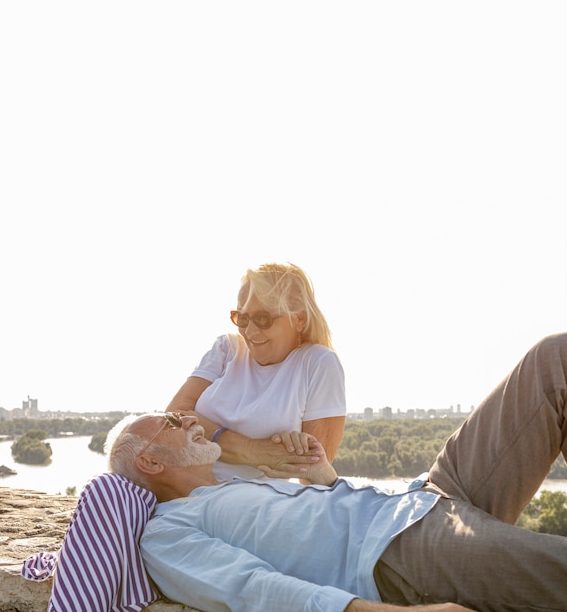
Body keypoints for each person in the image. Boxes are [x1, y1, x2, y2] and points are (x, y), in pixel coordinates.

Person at [105, 333, 567, 612]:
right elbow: (253, 590)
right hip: (401, 550)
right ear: (149, 462)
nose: (187, 417)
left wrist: (324, 477)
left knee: (552, 360)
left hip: (423, 496)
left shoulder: (235, 483)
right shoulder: (168, 532)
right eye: (169, 423)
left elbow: (327, 518)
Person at [166, 262, 346, 482]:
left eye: (263, 319)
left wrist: (204, 430)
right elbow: (174, 416)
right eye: (241, 318)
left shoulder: (318, 364)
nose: (249, 331)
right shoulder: (226, 349)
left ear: (299, 319)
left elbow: (312, 474)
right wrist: (252, 450)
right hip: (179, 491)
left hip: (251, 506)